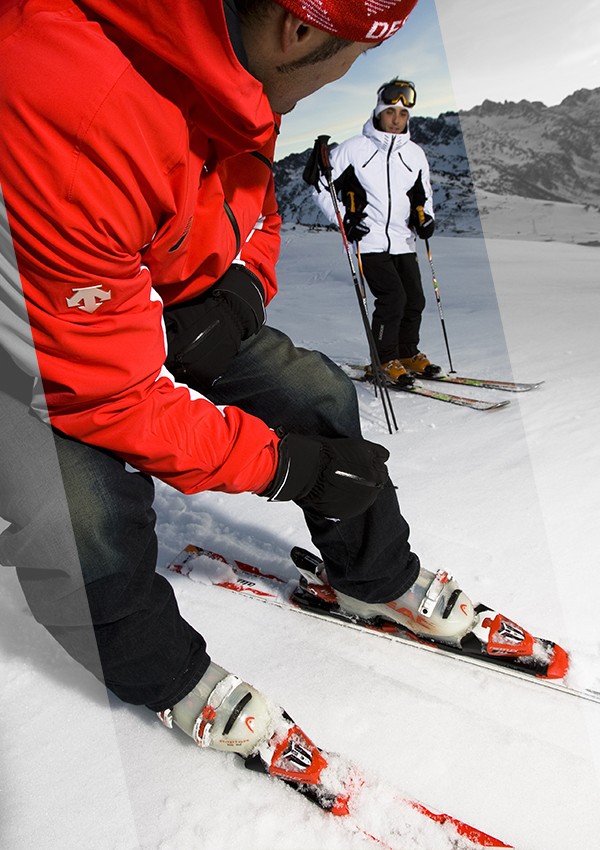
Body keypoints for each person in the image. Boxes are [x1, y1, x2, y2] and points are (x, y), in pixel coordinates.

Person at [0, 0, 474, 772]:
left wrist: (241, 294)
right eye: (351, 55)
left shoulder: (241, 73)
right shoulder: (66, 108)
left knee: (316, 392)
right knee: (79, 512)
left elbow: (254, 215)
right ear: (300, 29)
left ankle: (374, 576)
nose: (348, 78)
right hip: (30, 346)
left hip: (145, 298)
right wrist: (286, 466)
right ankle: (165, 676)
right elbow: (109, 395)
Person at [313, 77, 442, 387]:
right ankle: (383, 361)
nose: (396, 120)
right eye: (390, 113)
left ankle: (407, 353)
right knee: (392, 299)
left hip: (403, 241)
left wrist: (426, 219)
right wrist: (345, 219)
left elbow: (423, 194)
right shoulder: (356, 149)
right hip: (368, 242)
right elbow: (320, 185)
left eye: (403, 115)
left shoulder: (414, 154)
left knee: (415, 300)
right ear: (378, 113)